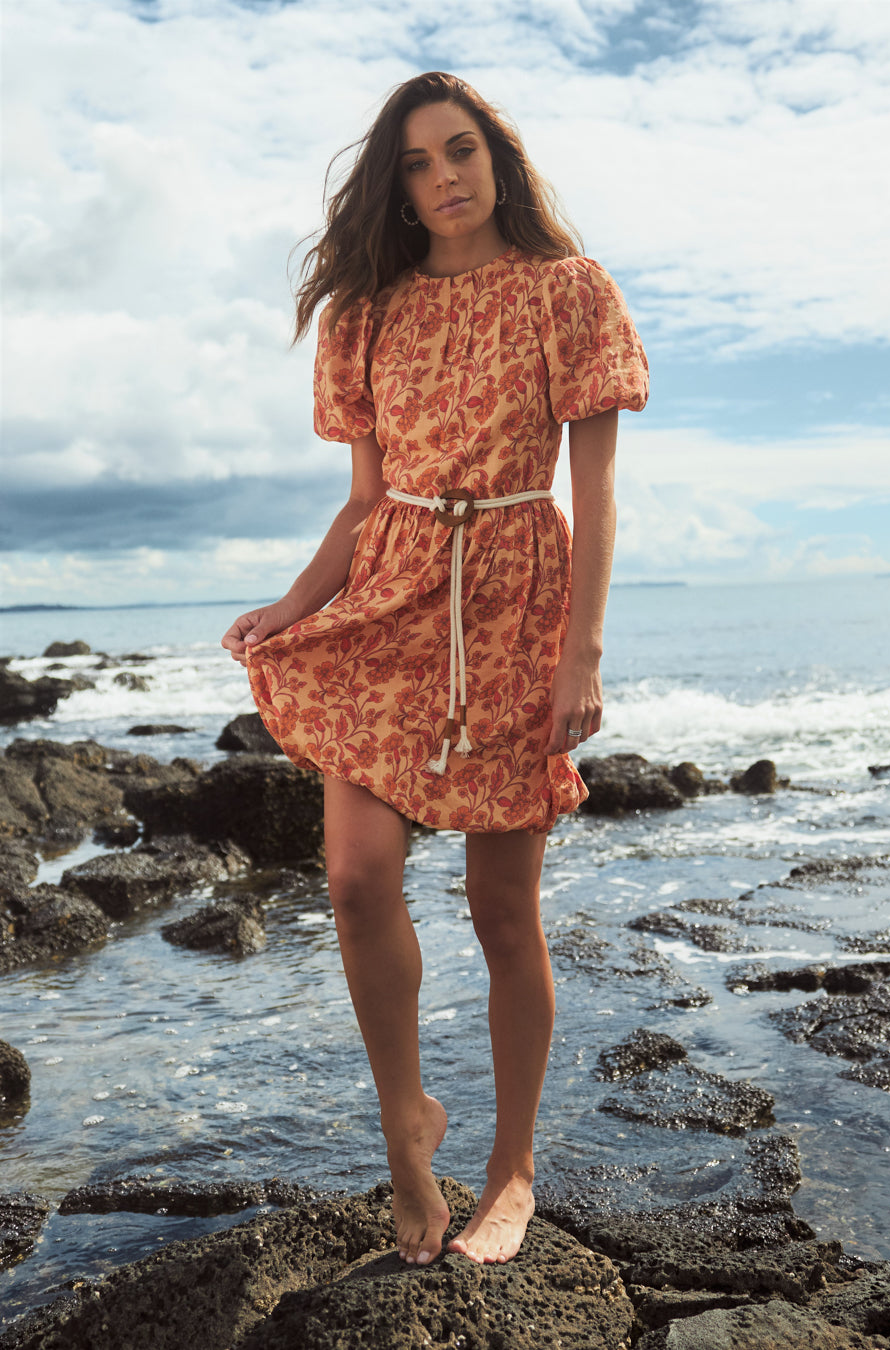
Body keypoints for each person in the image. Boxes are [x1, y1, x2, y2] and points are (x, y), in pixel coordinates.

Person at [222, 70, 648, 1268]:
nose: (442, 176)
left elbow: (596, 497)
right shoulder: (368, 314)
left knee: (502, 908)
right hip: (391, 601)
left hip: (516, 599)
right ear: (395, 186)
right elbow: (365, 503)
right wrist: (294, 605)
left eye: (459, 150)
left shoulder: (570, 293)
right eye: (415, 162)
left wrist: (583, 652)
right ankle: (407, 1129)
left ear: (498, 158)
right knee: (356, 880)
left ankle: (511, 1168)